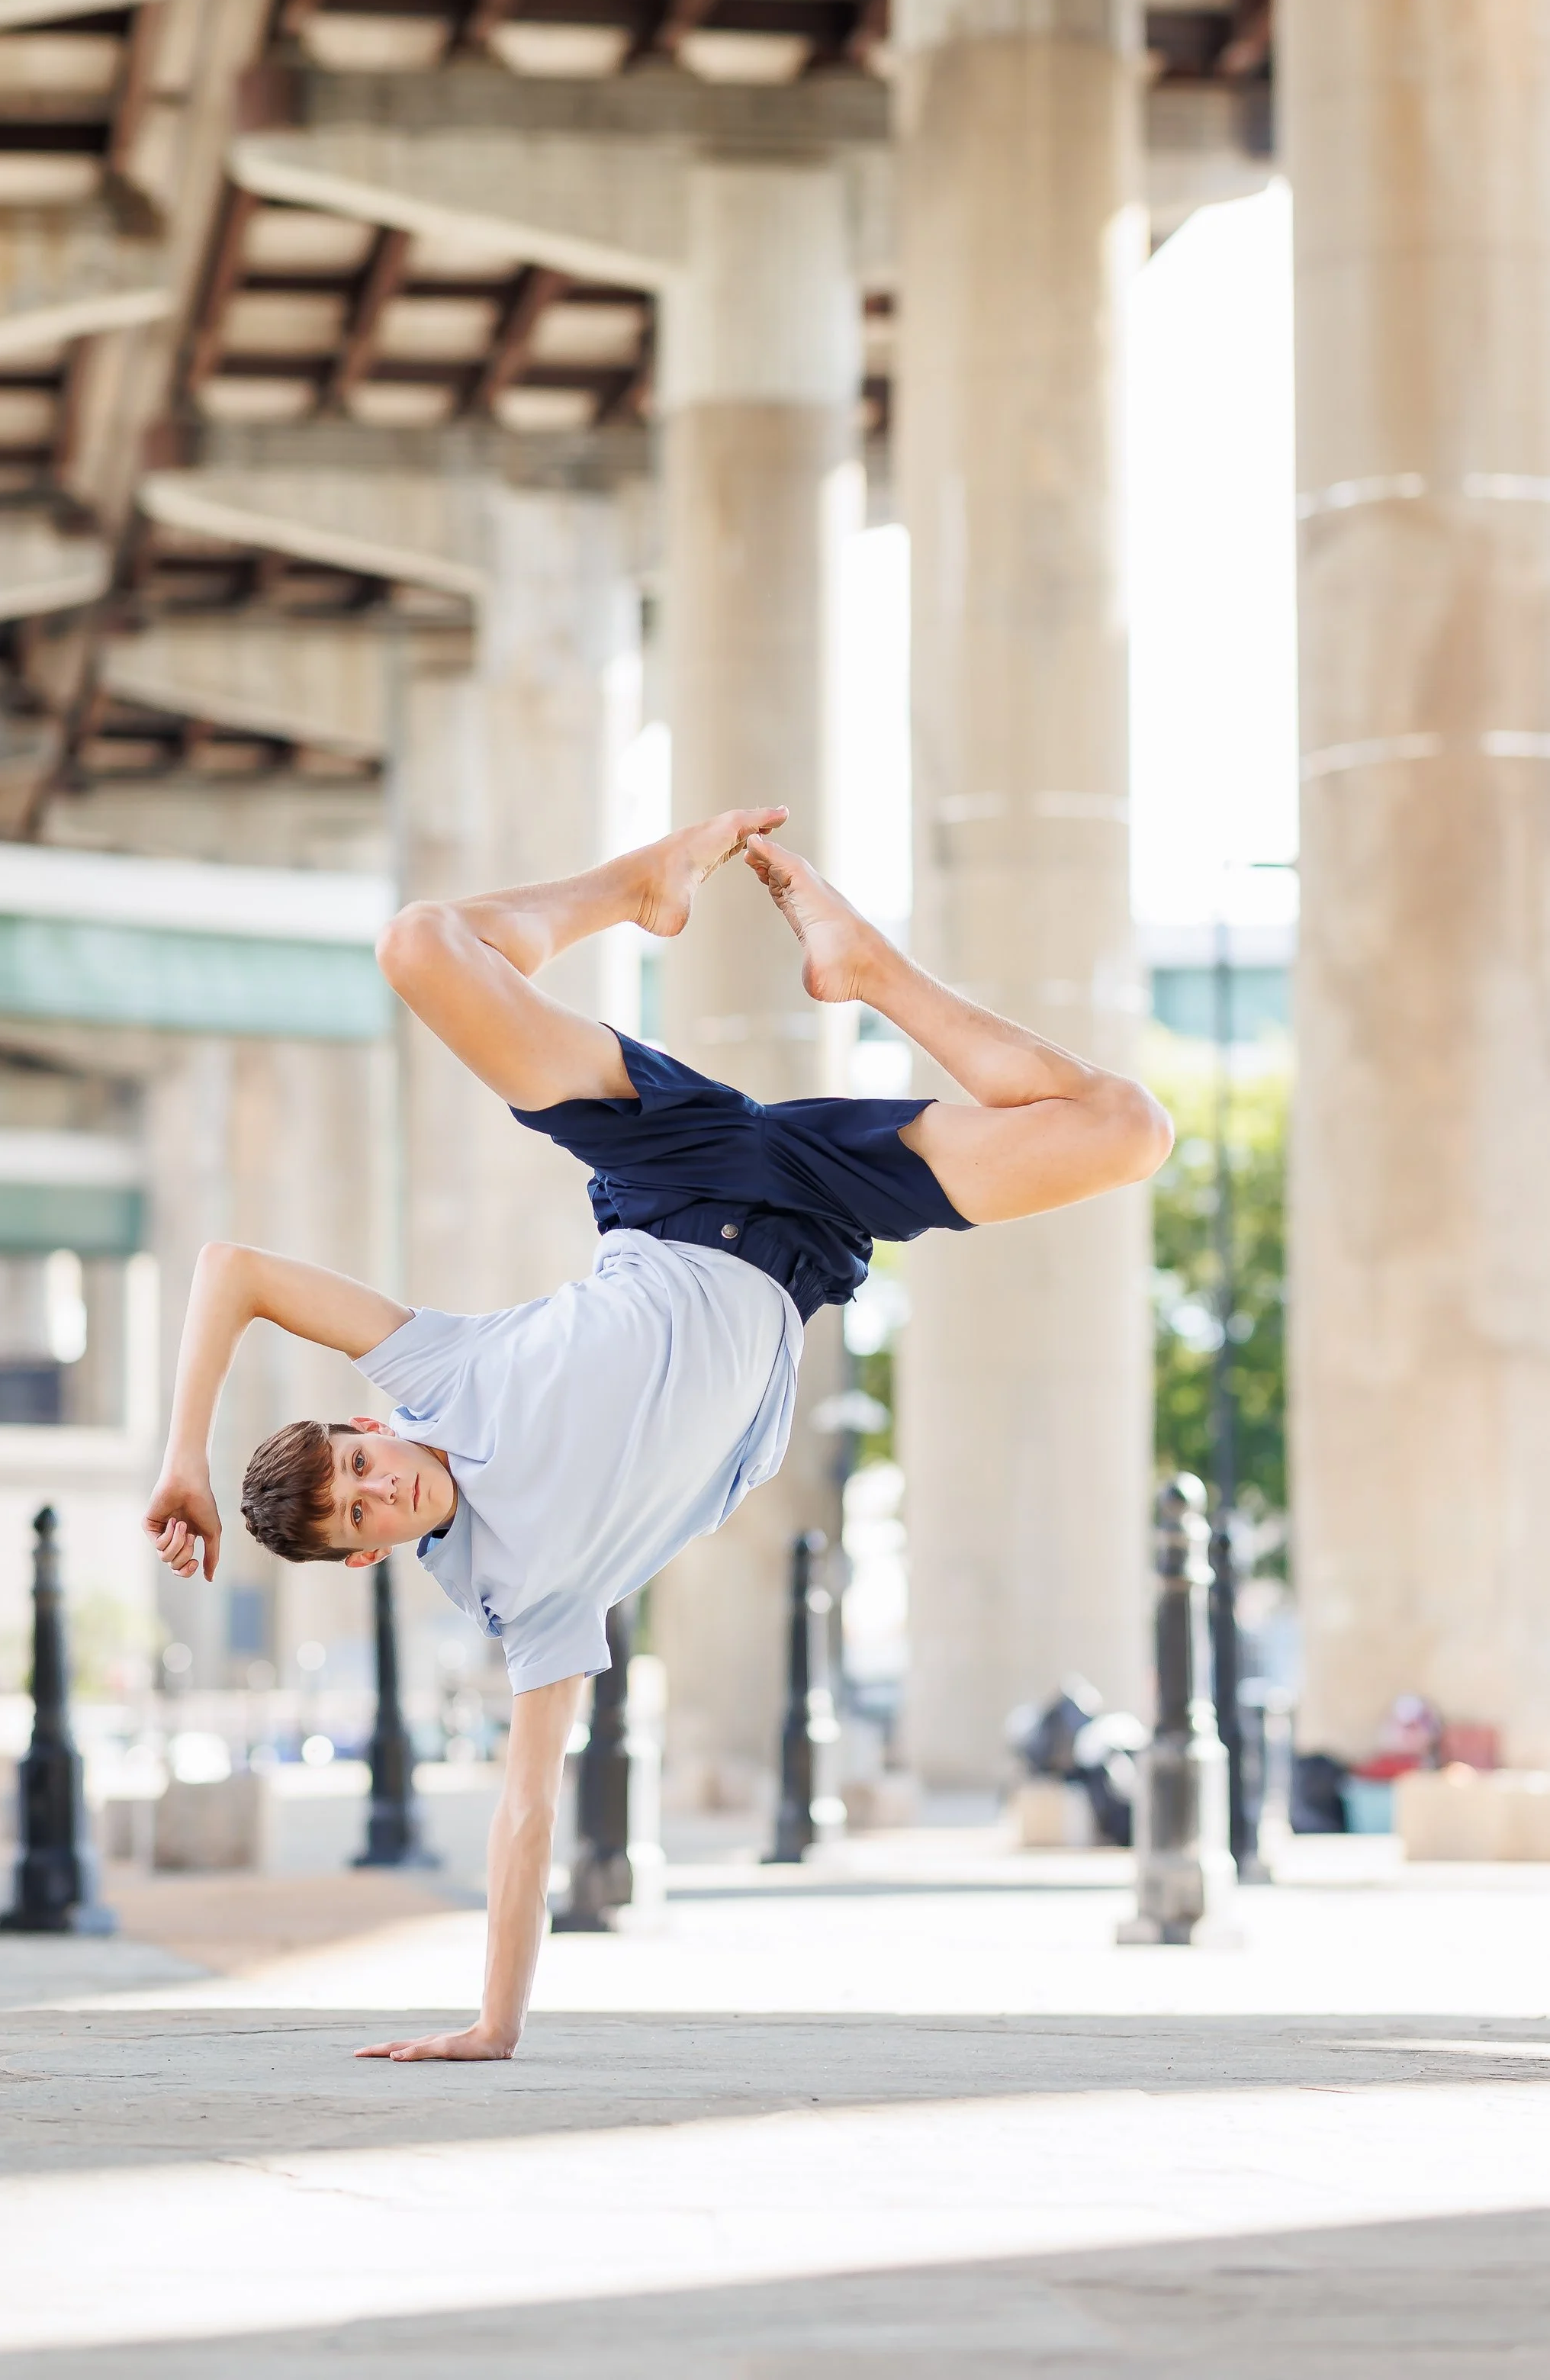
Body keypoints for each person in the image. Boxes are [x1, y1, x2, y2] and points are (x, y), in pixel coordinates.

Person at [143, 808, 1172, 2063]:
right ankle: (872, 968)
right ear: (367, 1555)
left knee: (420, 943)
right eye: (360, 1512)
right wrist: (494, 2020)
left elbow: (234, 1267)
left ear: (368, 1427)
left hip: (674, 1168)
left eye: (360, 1463)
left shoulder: (432, 1373)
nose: (381, 1486)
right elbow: (527, 1807)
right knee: (1127, 1130)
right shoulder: (529, 1597)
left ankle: (636, 890)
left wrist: (182, 1455)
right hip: (798, 1231)